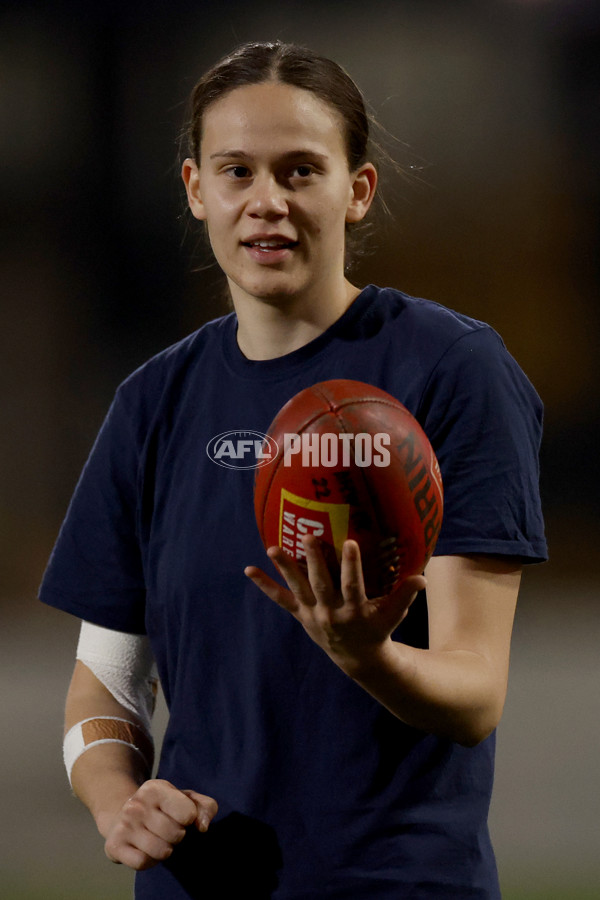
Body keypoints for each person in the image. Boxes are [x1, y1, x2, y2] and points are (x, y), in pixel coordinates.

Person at [39, 40, 547, 899]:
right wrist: (119, 803)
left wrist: (366, 656)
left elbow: (474, 692)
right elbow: (107, 689)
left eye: (300, 170)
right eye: (237, 171)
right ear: (198, 190)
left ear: (357, 192)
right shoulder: (154, 403)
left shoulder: (450, 371)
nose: (266, 201)